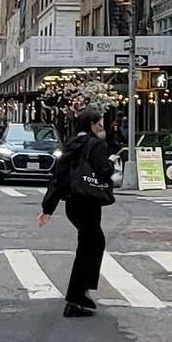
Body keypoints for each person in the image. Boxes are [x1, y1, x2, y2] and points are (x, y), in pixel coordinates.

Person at [40, 108, 115, 315]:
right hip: (88, 200)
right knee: (92, 244)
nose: (102, 128)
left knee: (89, 243)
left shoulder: (72, 144)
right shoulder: (96, 144)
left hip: (73, 203)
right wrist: (111, 163)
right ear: (91, 125)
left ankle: (80, 293)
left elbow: (59, 176)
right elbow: (104, 170)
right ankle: (76, 296)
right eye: (99, 124)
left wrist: (48, 208)